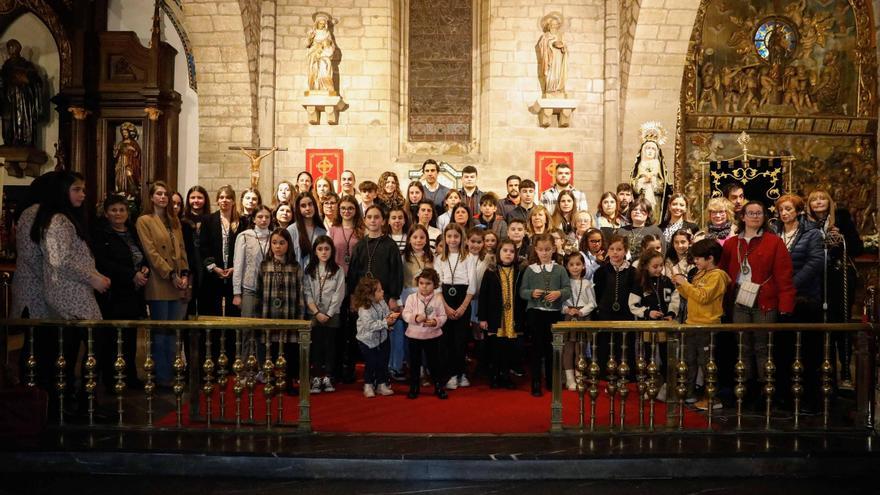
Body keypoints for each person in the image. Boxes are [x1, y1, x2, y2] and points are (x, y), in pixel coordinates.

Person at [32, 171, 109, 411]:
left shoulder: (64, 219)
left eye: (83, 189)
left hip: (76, 291)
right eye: (77, 189)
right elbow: (60, 261)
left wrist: (95, 276)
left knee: (79, 349)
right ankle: (81, 402)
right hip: (69, 294)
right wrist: (93, 279)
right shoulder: (58, 221)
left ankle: (80, 400)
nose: (83, 194)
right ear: (62, 191)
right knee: (90, 347)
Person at [719, 201, 795, 403]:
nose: (754, 216)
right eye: (750, 213)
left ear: (763, 217)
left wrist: (786, 304)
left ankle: (765, 388)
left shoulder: (774, 242)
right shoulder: (731, 243)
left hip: (765, 301)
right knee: (742, 346)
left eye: (758, 213)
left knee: (763, 347)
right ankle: (745, 387)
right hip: (739, 302)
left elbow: (784, 275)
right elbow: (723, 275)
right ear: (742, 217)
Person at [805, 189, 863, 387]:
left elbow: (857, 247)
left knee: (841, 322)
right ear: (809, 205)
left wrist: (841, 237)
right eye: (814, 199)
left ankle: (846, 371)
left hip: (840, 276)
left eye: (822, 198)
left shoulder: (842, 218)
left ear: (829, 202)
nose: (819, 202)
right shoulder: (807, 223)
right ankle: (825, 371)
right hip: (818, 279)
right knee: (822, 324)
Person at [771, 194, 824, 410]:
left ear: (799, 211)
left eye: (788, 209)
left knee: (808, 351)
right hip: (780, 299)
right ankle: (783, 397)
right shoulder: (774, 231)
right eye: (781, 210)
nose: (784, 213)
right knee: (783, 350)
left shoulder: (812, 233)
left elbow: (816, 262)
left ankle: (810, 399)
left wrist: (790, 286)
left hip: (805, 298)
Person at [136, 181, 189, 389]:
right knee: (160, 332)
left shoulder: (173, 220)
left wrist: (184, 273)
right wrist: (169, 274)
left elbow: (182, 249)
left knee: (172, 331)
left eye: (166, 194)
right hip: (159, 281)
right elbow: (151, 253)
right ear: (151, 197)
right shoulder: (144, 221)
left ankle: (173, 372)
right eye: (159, 194)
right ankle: (162, 375)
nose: (163, 197)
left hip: (176, 282)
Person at [93, 194, 149, 390]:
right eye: (114, 210)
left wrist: (143, 269)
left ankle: (130, 376)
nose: (118, 213)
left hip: (133, 293)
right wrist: (130, 274)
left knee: (130, 337)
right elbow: (103, 262)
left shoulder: (132, 231)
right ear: (106, 213)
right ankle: (111, 378)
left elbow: (141, 255)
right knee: (112, 338)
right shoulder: (101, 233)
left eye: (122, 209)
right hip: (113, 292)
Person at [672, 238, 730, 411]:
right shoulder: (699, 273)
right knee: (689, 361)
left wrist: (686, 285)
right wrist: (680, 285)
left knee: (707, 364)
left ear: (710, 258)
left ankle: (713, 398)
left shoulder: (718, 276)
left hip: (708, 325)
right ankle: (688, 394)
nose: (695, 261)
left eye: (698, 258)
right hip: (692, 324)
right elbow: (691, 295)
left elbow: (704, 297)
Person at [519, 233, 571, 397]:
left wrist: (558, 293)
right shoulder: (530, 269)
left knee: (552, 349)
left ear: (553, 249)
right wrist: (532, 293)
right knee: (537, 349)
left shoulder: (560, 269)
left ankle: (551, 380)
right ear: (536, 250)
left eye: (547, 249)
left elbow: (568, 290)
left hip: (554, 313)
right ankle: (536, 382)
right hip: (535, 312)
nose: (544, 253)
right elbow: (522, 291)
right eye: (541, 250)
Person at [259, 228, 304, 393]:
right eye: (274, 243)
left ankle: (289, 381)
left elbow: (300, 292)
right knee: (271, 348)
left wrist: (300, 316)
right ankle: (271, 379)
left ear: (288, 245)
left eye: (282, 243)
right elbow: (258, 290)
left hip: (289, 314)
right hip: (268, 313)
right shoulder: (264, 265)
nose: (278, 246)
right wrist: (258, 316)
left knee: (289, 349)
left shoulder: (295, 266)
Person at [478, 239, 524, 389]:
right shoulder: (491, 272)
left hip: (512, 317)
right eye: (505, 251)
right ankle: (494, 376)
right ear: (499, 253)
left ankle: (505, 376)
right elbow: (483, 296)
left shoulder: (519, 272)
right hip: (495, 316)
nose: (508, 254)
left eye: (511, 251)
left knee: (509, 348)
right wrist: (483, 317)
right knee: (495, 348)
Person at [436, 223, 476, 391]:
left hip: (463, 299)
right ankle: (452, 374)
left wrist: (463, 307)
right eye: (449, 236)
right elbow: (437, 286)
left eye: (456, 236)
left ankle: (462, 373)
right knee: (448, 340)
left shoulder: (469, 258)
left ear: (462, 238)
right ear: (445, 238)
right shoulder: (439, 258)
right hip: (446, 300)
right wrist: (445, 307)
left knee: (461, 340)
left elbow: (472, 286)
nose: (452, 240)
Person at [304, 235, 345, 394]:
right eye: (320, 249)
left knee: (330, 346)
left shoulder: (338, 270)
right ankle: (316, 377)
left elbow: (339, 293)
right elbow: (307, 292)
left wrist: (328, 313)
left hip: (332, 314)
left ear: (332, 251)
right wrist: (316, 312)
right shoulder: (309, 270)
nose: (323, 252)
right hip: (314, 313)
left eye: (327, 249)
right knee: (316, 346)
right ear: (315, 251)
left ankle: (328, 376)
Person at [401, 267, 448, 399]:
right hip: (414, 336)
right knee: (414, 363)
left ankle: (438, 386)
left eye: (428, 284)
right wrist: (415, 318)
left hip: (432, 336)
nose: (424, 287)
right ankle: (414, 386)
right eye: (421, 283)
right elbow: (405, 314)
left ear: (435, 285)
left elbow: (443, 316)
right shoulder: (411, 298)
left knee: (434, 362)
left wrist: (435, 321)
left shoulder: (438, 299)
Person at [199, 185, 242, 318]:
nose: (225, 200)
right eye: (221, 197)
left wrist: (234, 268)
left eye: (228, 197)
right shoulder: (208, 220)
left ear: (233, 201)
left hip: (233, 273)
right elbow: (203, 246)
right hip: (213, 272)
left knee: (233, 314)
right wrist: (214, 267)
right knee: (212, 312)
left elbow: (243, 250)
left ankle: (231, 339)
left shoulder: (241, 221)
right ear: (217, 200)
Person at [353, 277, 398, 398]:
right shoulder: (364, 309)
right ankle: (368, 384)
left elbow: (386, 313)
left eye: (381, 289)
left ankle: (381, 384)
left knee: (383, 361)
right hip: (366, 340)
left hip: (382, 337)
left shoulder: (382, 302)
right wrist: (385, 323)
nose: (382, 292)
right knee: (371, 362)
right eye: (379, 290)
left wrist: (391, 317)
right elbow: (370, 325)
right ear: (369, 295)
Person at [561, 252, 596, 391]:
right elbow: (561, 303)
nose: (575, 267)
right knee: (568, 349)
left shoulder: (587, 283)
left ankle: (579, 376)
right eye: (571, 264)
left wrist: (581, 311)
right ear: (566, 266)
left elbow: (592, 303)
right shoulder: (564, 284)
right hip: (569, 316)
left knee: (580, 348)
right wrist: (567, 310)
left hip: (583, 316)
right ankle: (569, 380)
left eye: (578, 264)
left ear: (583, 266)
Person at [0, 39, 44, 147]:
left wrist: (25, 79)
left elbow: (35, 81)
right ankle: (9, 140)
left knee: (21, 119)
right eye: (9, 48)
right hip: (9, 97)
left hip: (22, 97)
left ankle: (23, 139)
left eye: (12, 47)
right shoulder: (6, 67)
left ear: (17, 48)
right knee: (8, 118)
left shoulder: (26, 65)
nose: (10, 50)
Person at [232, 205, 273, 319]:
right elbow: (238, 265)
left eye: (267, 217)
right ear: (254, 219)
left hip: (270, 288)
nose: (264, 220)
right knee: (247, 325)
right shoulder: (244, 236)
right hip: (250, 288)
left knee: (266, 325)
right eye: (260, 217)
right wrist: (237, 293)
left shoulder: (274, 237)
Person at [287, 192, 327, 271]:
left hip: (317, 277)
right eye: (303, 206)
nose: (308, 208)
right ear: (298, 209)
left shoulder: (322, 232)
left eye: (310, 204)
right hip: (296, 277)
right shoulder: (291, 230)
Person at [536, 13, 567, 96]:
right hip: (549, 58)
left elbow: (565, 46)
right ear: (549, 25)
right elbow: (541, 46)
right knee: (551, 72)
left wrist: (562, 47)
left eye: (556, 24)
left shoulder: (560, 35)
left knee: (558, 72)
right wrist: (550, 43)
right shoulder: (545, 36)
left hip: (559, 57)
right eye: (552, 24)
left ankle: (558, 89)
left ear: (558, 26)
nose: (554, 26)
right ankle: (550, 89)